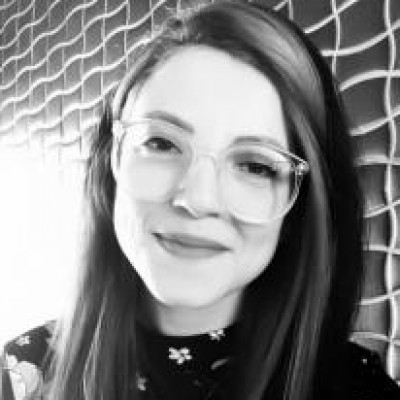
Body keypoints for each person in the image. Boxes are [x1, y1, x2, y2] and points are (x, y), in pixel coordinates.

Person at [1, 1, 399, 399]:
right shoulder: (22, 373)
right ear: (112, 160)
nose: (197, 198)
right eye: (161, 143)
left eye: (255, 166)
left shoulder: (358, 391)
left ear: (299, 209)